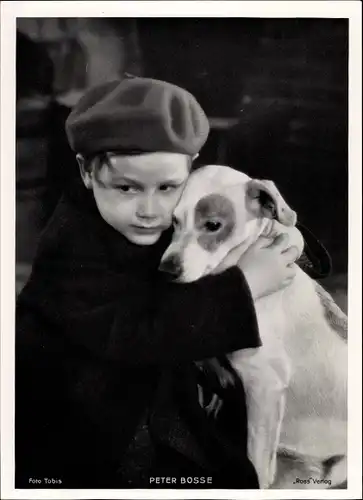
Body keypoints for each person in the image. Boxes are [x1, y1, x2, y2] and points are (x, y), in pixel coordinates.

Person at [15, 76, 299, 489]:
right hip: (83, 416)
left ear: (191, 170)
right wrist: (245, 286)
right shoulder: (70, 248)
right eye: (126, 187)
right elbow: (137, 332)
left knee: (227, 460)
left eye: (168, 187)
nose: (150, 210)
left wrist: (287, 237)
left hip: (148, 390)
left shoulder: (158, 218)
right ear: (86, 172)